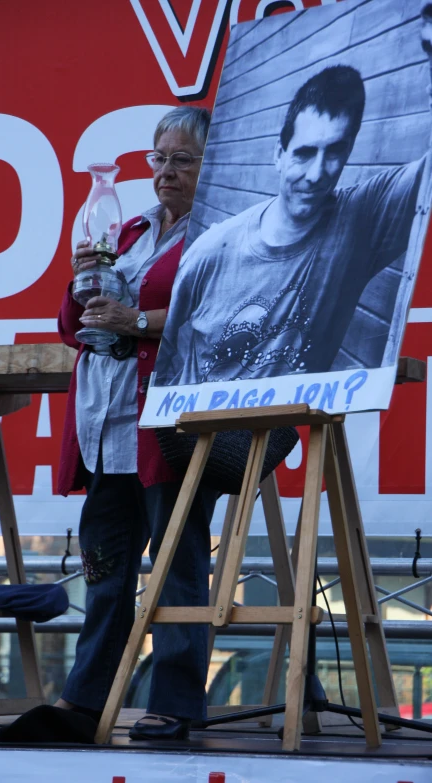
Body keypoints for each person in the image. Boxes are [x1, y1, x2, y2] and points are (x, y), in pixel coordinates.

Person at [52, 106, 214, 741]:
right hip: (105, 421)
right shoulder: (129, 229)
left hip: (166, 425)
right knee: (103, 566)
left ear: (212, 167)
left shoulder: (221, 233)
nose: (165, 172)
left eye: (182, 160)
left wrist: (136, 323)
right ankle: (89, 698)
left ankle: (175, 702)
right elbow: (74, 327)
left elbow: (217, 319)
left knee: (176, 566)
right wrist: (80, 291)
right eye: (158, 158)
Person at [155, 24, 432, 386]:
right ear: (279, 155)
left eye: (334, 152)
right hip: (198, 434)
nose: (317, 174)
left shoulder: (362, 217)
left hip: (283, 432)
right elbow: (167, 358)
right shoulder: (211, 251)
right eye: (304, 153)